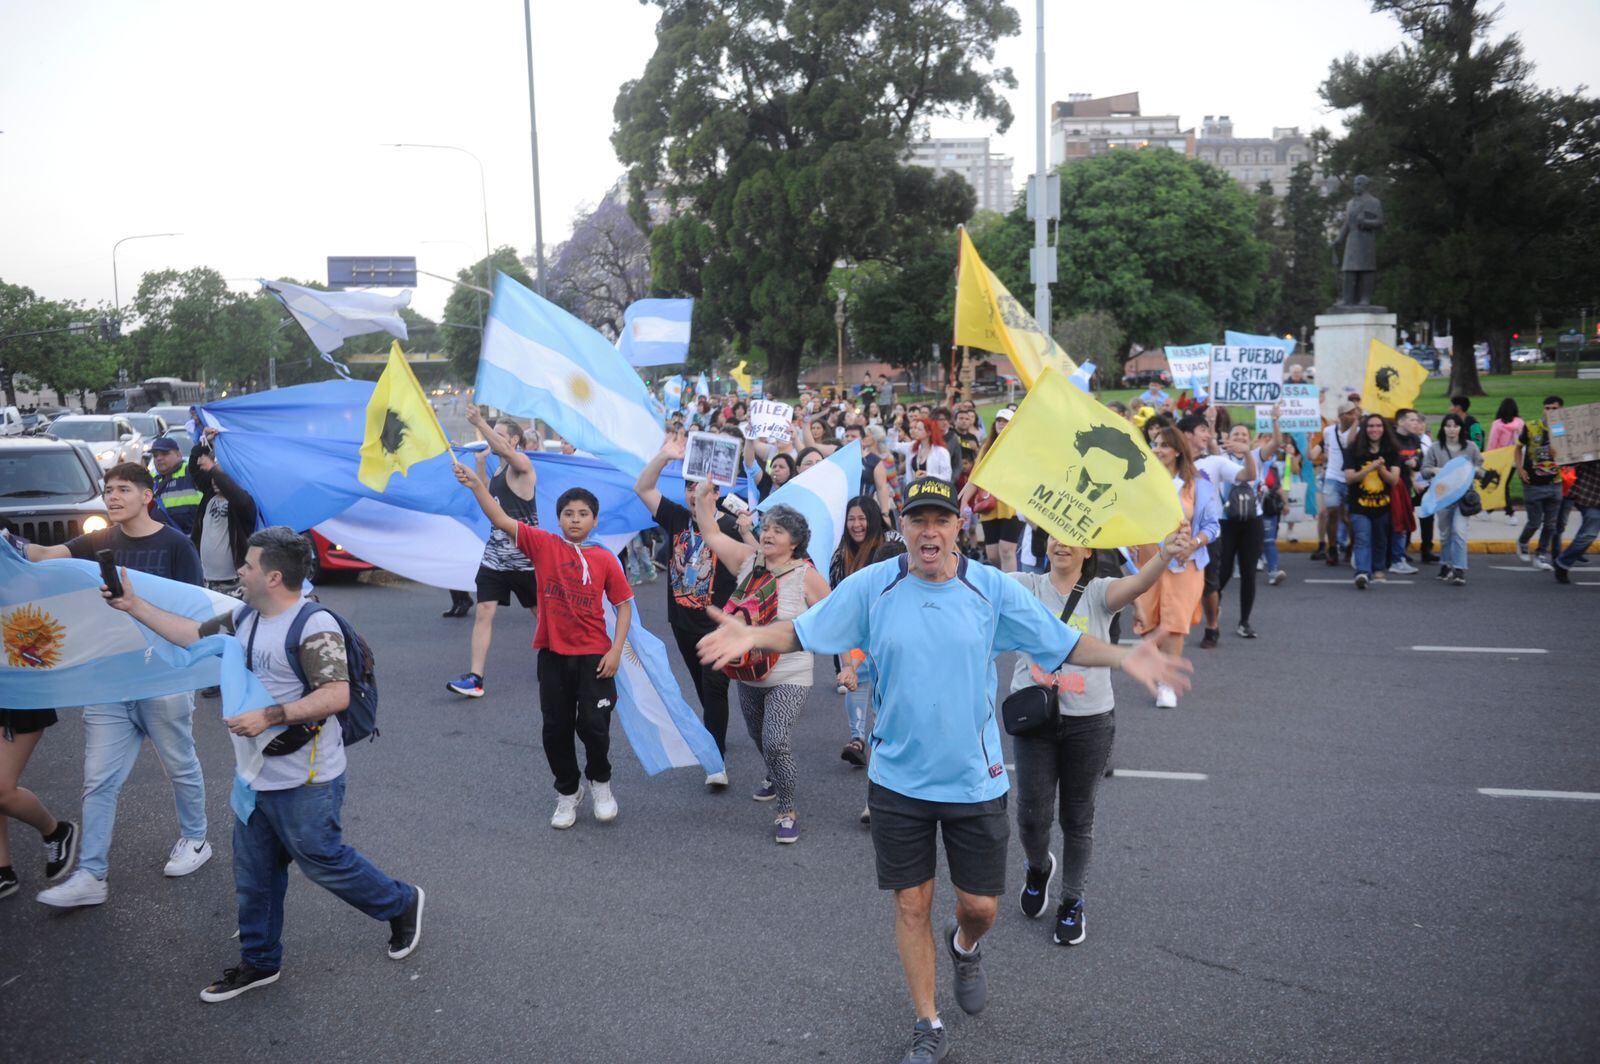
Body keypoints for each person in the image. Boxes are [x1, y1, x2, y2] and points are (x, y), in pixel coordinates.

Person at [696, 477, 1192, 1064]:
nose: (928, 531)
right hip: (897, 779)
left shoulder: (990, 588)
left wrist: (1123, 653)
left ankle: (964, 945)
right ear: (902, 526)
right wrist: (754, 633)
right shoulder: (873, 586)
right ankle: (927, 1022)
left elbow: (1061, 643)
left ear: (959, 526)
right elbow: (803, 629)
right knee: (910, 904)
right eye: (917, 520)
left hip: (973, 779)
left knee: (981, 906)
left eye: (940, 520)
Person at [104, 527, 425, 1001]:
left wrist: (270, 715)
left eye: (248, 564)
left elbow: (335, 695)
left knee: (323, 862)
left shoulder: (314, 627)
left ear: (274, 576)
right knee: (254, 877)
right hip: (255, 778)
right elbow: (192, 635)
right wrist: (133, 605)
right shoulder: (245, 617)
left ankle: (401, 903)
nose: (240, 570)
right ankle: (259, 961)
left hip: (308, 779)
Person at [27, 462, 211, 907]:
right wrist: (9, 544)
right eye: (108, 489)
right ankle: (91, 874)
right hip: (109, 681)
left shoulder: (176, 545)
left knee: (179, 764)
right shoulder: (99, 541)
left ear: (146, 496)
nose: (112, 497)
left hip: (162, 677)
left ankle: (196, 839)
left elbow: (196, 611)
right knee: (98, 781)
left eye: (123, 489)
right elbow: (44, 556)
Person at [1010, 531, 1188, 945]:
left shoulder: (1100, 592)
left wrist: (1163, 555)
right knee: (1031, 815)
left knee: (1077, 818)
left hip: (1088, 722)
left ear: (1089, 550)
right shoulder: (1025, 587)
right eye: (1055, 536)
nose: (1062, 544)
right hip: (1034, 720)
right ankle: (1038, 868)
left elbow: (1139, 583)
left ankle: (1072, 902)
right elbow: (976, 579)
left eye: (1074, 539)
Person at [456, 465, 633, 827]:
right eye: (568, 513)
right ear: (558, 519)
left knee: (595, 727)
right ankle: (568, 793)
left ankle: (600, 783)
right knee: (556, 728)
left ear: (594, 521)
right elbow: (502, 519)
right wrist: (477, 485)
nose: (575, 519)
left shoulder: (604, 559)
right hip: (553, 657)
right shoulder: (543, 545)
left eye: (583, 514)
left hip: (595, 658)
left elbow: (623, 604)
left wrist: (615, 651)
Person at [692, 482, 829, 844]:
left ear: (795, 542)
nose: (767, 534)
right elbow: (709, 532)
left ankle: (787, 809)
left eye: (777, 530)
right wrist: (705, 500)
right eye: (766, 527)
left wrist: (848, 664)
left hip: (791, 673)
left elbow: (834, 620)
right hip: (748, 672)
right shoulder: (747, 561)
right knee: (758, 736)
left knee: (775, 739)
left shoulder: (806, 576)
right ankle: (773, 772)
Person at [635, 433, 738, 788]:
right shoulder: (678, 517)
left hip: (720, 625)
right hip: (682, 622)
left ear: (717, 493)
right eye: (690, 487)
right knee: (702, 688)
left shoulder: (730, 525)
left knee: (714, 688)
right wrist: (664, 456)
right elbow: (643, 488)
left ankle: (716, 761)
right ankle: (714, 736)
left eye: (703, 488)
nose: (694, 493)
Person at [446, 409, 539, 699]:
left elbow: (506, 452)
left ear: (514, 440)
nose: (492, 439)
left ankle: (562, 659)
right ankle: (476, 678)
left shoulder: (523, 465)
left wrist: (479, 423)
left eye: (499, 435)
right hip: (495, 555)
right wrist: (478, 470)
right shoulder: (499, 470)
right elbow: (491, 501)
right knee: (485, 610)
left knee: (543, 615)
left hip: (526, 557)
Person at [1134, 424, 1220, 708]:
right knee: (1148, 624)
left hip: (1186, 564)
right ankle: (1158, 669)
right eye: (1154, 444)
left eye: (1163, 445)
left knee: (1174, 624)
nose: (1157, 449)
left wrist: (1194, 543)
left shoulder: (1198, 483)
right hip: (1149, 562)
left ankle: (1166, 685)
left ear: (1177, 450)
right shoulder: (1141, 480)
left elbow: (1212, 525)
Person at [828, 496, 903, 768]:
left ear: (872, 518)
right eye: (851, 519)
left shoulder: (893, 541)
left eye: (862, 518)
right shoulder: (840, 555)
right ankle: (857, 740)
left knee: (891, 683)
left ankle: (888, 738)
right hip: (857, 627)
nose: (856, 525)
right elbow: (837, 602)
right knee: (855, 679)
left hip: (894, 623)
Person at [1178, 412, 1255, 648]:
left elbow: (1248, 475)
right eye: (1202, 430)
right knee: (1175, 583)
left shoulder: (1215, 462)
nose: (1207, 434)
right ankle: (1174, 627)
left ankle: (1212, 625)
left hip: (1207, 536)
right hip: (1176, 536)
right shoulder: (1170, 463)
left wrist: (1247, 452)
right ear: (1186, 435)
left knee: (1209, 586)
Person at [190, 429, 258, 598]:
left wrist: (214, 469)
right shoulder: (209, 496)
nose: (215, 481)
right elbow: (194, 469)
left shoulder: (242, 503)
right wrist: (203, 443)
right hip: (206, 580)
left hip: (235, 582)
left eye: (221, 476)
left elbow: (237, 496)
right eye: (213, 477)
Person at [1420, 413, 1482, 585]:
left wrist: (1474, 472)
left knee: (1460, 532)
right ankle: (1445, 564)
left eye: (1455, 426)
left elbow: (1481, 468)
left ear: (1461, 428)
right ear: (1443, 428)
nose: (1451, 429)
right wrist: (1434, 471)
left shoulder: (1470, 447)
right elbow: (1424, 471)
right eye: (1448, 426)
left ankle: (1460, 569)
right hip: (1442, 497)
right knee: (1446, 534)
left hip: (1464, 498)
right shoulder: (1435, 448)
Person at [957, 409, 1021, 572]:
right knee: (992, 555)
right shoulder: (987, 447)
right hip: (988, 506)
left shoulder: (1020, 447)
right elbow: (974, 478)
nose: (1001, 423)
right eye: (999, 420)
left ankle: (1011, 587)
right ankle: (1003, 581)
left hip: (1012, 506)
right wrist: (964, 502)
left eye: (1005, 421)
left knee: (1007, 550)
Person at [1345, 414, 1402, 590]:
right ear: (1364, 429)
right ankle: (1362, 572)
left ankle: (1378, 568)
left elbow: (1393, 480)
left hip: (1383, 506)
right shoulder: (1353, 450)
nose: (1374, 429)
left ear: (1384, 429)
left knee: (1380, 539)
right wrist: (1370, 467)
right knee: (1362, 538)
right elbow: (1350, 478)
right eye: (1370, 426)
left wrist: (1381, 469)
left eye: (1378, 426)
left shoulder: (1392, 451)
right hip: (1359, 506)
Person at [1515, 396, 1565, 571]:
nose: (1550, 412)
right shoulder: (1531, 427)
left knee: (1550, 524)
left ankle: (1540, 554)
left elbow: (1570, 457)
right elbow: (1518, 448)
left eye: (1554, 409)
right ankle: (1522, 541)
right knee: (1534, 522)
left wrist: (1559, 454)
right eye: (1547, 408)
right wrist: (1520, 469)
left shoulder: (1563, 430)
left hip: (1555, 482)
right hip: (1533, 483)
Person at [1318, 401, 1359, 566]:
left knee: (1350, 516)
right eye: (1350, 413)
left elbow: (1351, 443)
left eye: (1355, 413)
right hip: (1332, 477)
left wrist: (1356, 423)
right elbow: (1326, 450)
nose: (1354, 415)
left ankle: (1351, 546)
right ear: (1342, 416)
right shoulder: (1328, 431)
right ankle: (1332, 547)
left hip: (1351, 477)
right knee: (1332, 512)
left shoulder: (1359, 431)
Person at [1552, 459, 1600, 583]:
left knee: (1588, 533)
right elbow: (1573, 457)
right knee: (1588, 534)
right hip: (1590, 495)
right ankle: (1562, 564)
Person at [149, 436, 201, 534]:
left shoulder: (191, 472)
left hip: (193, 541)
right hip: (163, 542)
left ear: (178, 455)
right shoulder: (151, 480)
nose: (159, 458)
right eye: (155, 455)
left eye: (164, 454)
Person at [1486, 400, 1524, 520]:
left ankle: (1510, 513)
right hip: (1516, 460)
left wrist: (1489, 458)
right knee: (1503, 484)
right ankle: (1489, 510)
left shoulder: (1497, 424)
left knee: (1502, 485)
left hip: (1500, 459)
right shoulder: (1520, 423)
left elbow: (1493, 443)